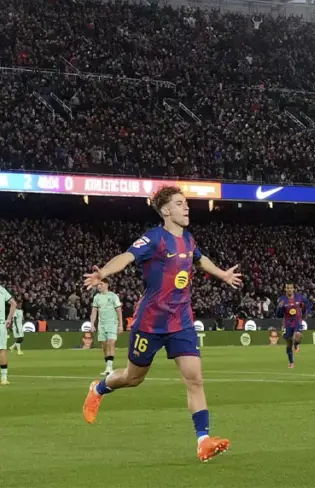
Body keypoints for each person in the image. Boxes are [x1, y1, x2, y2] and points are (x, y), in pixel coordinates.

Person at [81, 186, 242, 462]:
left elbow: (200, 260)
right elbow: (127, 256)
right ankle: (99, 388)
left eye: (186, 203)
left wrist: (223, 275)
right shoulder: (154, 238)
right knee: (133, 378)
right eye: (180, 204)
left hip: (181, 321)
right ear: (166, 210)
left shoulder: (189, 240)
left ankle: (203, 440)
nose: (187, 208)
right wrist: (104, 272)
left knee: (195, 378)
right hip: (150, 323)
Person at [90, 279, 123, 375]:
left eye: (101, 284)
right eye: (98, 285)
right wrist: (92, 324)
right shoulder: (97, 297)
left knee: (111, 343)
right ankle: (108, 367)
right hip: (102, 324)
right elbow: (94, 311)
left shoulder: (113, 296)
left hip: (112, 323)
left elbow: (119, 311)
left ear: (107, 285)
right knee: (104, 345)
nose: (99, 286)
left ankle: (110, 367)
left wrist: (120, 325)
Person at [276, 283, 310, 368]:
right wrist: (279, 308)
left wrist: (306, 313)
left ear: (294, 289)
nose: (289, 289)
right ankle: (291, 362)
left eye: (291, 288)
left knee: (297, 335)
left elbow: (307, 304)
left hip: (297, 321)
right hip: (287, 323)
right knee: (288, 343)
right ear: (285, 289)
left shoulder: (300, 297)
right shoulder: (281, 299)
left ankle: (296, 344)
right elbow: (278, 315)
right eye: (288, 288)